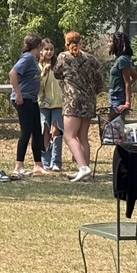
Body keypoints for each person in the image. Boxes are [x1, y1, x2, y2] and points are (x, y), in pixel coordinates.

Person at [53, 31, 104, 182]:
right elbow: (100, 82)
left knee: (69, 136)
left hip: (72, 101)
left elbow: (57, 74)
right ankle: (85, 170)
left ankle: (83, 167)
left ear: (66, 43)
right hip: (89, 101)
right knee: (82, 137)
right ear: (81, 42)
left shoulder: (63, 57)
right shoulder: (92, 59)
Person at [9, 34, 47, 176]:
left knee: (37, 131)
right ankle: (19, 165)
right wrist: (18, 94)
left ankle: (38, 165)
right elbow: (12, 74)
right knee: (26, 132)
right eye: (41, 49)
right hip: (23, 99)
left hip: (32, 99)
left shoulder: (33, 59)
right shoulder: (27, 58)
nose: (41, 52)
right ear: (37, 47)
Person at [38, 38, 65, 173]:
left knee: (56, 130)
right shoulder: (37, 65)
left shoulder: (58, 65)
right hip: (43, 103)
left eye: (51, 49)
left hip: (58, 103)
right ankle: (45, 161)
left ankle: (56, 162)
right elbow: (37, 86)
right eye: (46, 49)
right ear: (41, 50)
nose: (49, 52)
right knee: (44, 131)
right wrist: (44, 73)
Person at [107, 32, 137, 124]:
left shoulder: (122, 60)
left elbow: (127, 82)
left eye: (110, 41)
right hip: (115, 95)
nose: (108, 44)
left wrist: (127, 103)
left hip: (119, 98)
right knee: (116, 127)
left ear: (117, 43)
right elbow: (135, 76)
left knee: (107, 126)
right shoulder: (121, 59)